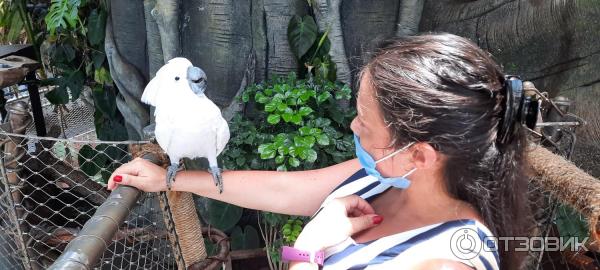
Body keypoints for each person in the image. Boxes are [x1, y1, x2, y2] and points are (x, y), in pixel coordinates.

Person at [108, 33, 531, 269]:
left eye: (364, 123)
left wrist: (307, 249)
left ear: (418, 156)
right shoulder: (384, 178)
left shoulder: (446, 262)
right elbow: (287, 191)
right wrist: (172, 178)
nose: (352, 127)